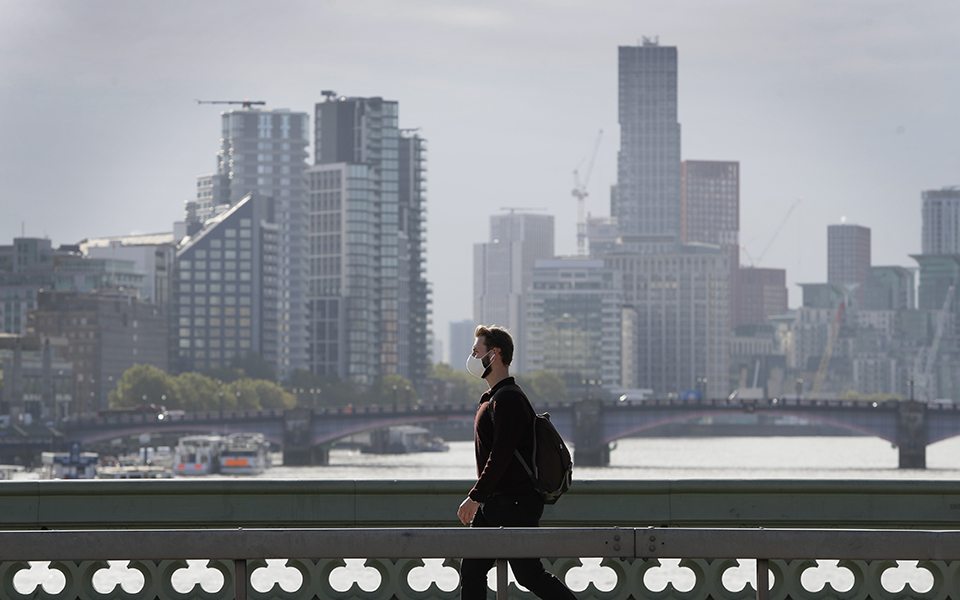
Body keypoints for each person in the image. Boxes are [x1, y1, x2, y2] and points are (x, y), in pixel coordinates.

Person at [457, 325, 577, 600]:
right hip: (498, 502)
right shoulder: (494, 398)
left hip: (515, 502)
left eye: (477, 351)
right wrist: (482, 498)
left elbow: (500, 456)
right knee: (473, 571)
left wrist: (475, 497)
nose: (472, 357)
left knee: (528, 574)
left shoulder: (508, 399)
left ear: (494, 354)